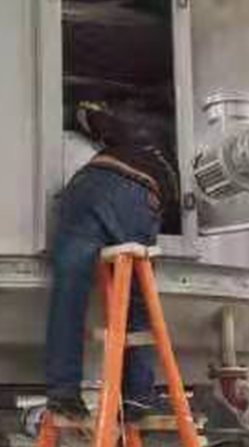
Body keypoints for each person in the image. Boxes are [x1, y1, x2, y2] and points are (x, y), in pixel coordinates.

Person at [45, 99, 180, 423]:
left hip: (83, 186)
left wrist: (91, 113)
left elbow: (85, 112)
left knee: (69, 292)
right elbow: (175, 210)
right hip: (132, 191)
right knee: (136, 298)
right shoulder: (165, 152)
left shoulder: (122, 131)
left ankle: (63, 392)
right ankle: (137, 398)